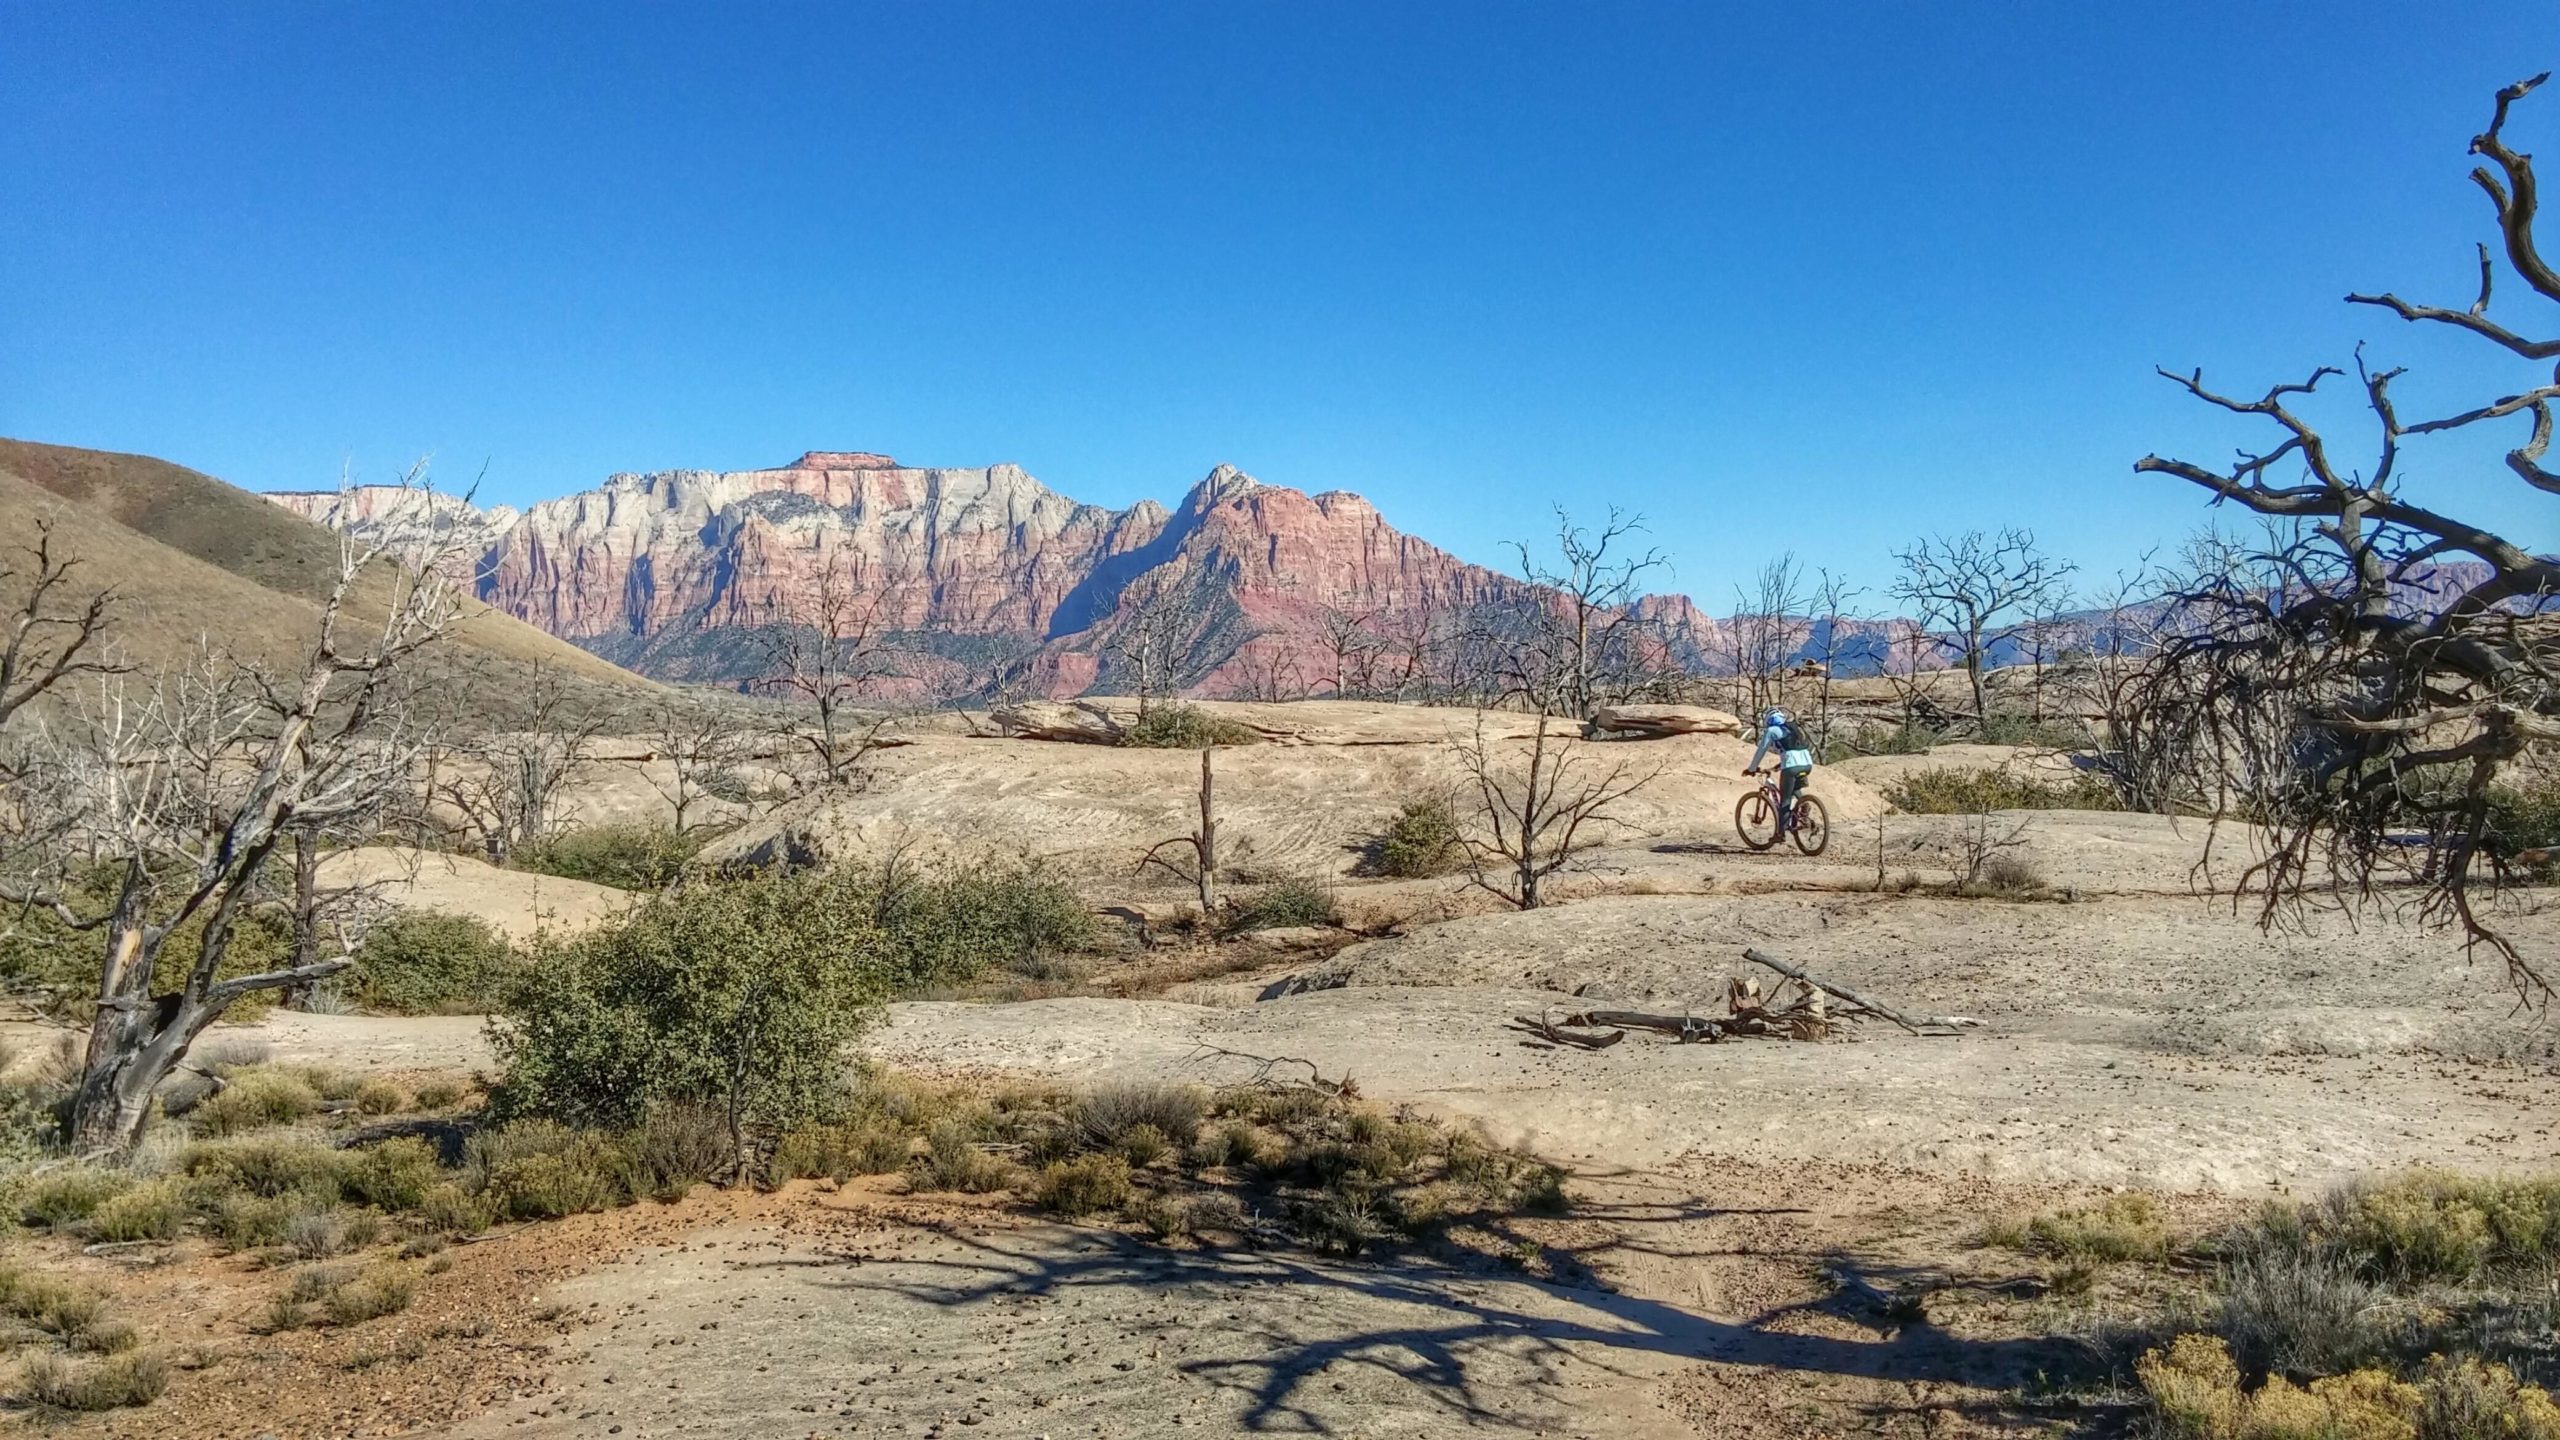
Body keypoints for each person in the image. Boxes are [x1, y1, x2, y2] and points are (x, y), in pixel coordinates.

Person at [1744, 707, 1815, 835]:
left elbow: (1761, 750)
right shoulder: (1792, 728)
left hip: (1791, 766)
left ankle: (1780, 834)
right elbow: (1794, 748)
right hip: (1807, 764)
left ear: (1768, 720)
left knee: (1785, 799)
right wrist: (1778, 766)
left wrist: (1752, 769)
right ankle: (1803, 804)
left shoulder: (1772, 730)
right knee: (1794, 789)